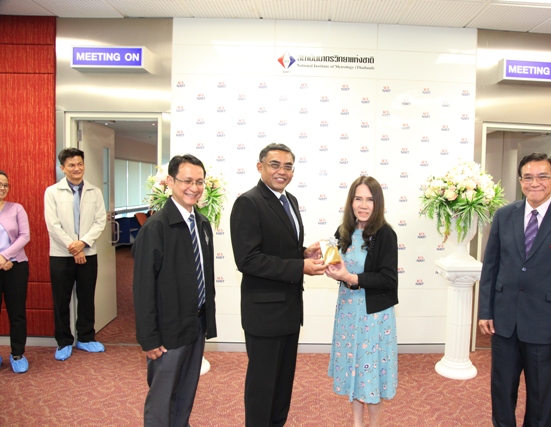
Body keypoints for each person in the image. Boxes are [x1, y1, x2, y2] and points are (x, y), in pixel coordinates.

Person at [478, 152, 551, 427]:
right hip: (504, 321)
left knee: (541, 395)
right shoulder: (504, 215)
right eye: (528, 177)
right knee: (501, 389)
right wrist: (485, 311)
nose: (534, 183)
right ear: (520, 181)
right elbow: (490, 266)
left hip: (546, 324)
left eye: (542, 176)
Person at [230, 143, 326, 427]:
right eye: (275, 165)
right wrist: (299, 267)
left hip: (290, 310)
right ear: (260, 167)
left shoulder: (290, 200)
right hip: (264, 314)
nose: (281, 171)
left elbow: (278, 248)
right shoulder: (249, 203)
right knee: (262, 387)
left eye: (287, 166)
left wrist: (303, 253)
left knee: (282, 384)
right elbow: (248, 260)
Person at [132, 154, 217, 427]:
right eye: (187, 181)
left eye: (200, 182)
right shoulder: (155, 228)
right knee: (162, 399)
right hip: (168, 330)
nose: (194, 188)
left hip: (196, 323)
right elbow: (143, 288)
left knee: (185, 393)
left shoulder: (201, 223)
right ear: (170, 181)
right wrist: (148, 337)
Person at [325, 176, 399, 427]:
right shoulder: (342, 231)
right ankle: (357, 424)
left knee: (371, 376)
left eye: (369, 199)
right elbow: (339, 266)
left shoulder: (385, 234)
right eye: (358, 199)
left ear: (378, 203)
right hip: (347, 311)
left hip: (374, 317)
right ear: (351, 202)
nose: (363, 205)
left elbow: (388, 279)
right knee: (354, 374)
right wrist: (333, 271)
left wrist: (351, 277)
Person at [44, 148, 107, 361]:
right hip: (61, 254)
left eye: (79, 164)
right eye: (71, 165)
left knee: (86, 297)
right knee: (61, 300)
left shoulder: (95, 192)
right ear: (63, 168)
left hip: (88, 252)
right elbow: (53, 225)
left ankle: (86, 338)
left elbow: (100, 221)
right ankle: (63, 341)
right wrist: (74, 247)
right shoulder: (52, 192)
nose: (76, 168)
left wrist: (83, 244)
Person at [0, 171, 31, 373]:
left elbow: (25, 236)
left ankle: (17, 353)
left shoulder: (16, 208)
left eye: (5, 185)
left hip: (16, 266)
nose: (2, 188)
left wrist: (5, 257)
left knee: (17, 313)